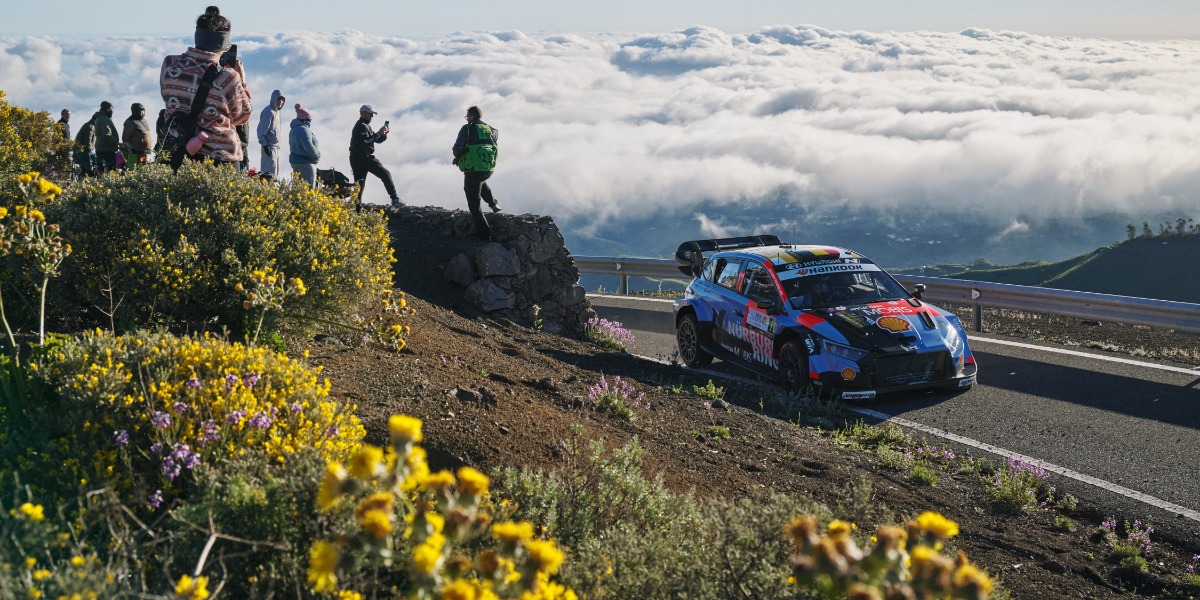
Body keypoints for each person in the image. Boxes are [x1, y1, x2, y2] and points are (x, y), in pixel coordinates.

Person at [159, 6, 253, 167]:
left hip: (177, 153)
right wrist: (241, 80)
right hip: (218, 159)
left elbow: (166, 95)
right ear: (225, 45)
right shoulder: (227, 77)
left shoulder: (170, 64)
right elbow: (242, 116)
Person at [452, 105, 501, 241]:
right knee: (479, 181)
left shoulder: (467, 128)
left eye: (467, 116)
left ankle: (485, 235)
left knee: (474, 205)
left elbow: (457, 150)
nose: (466, 118)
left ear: (472, 116)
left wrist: (459, 156)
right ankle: (493, 203)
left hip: (473, 169)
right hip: (487, 168)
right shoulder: (490, 129)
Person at [349, 104, 401, 207]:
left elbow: (375, 140)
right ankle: (395, 199)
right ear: (363, 113)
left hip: (357, 158)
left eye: (372, 114)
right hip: (363, 158)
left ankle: (356, 208)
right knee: (385, 174)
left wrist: (383, 134)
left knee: (359, 185)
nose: (372, 116)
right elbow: (367, 141)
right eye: (370, 114)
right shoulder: (361, 126)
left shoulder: (365, 125)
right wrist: (379, 133)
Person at [288, 104, 320, 186]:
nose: (310, 122)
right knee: (309, 187)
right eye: (309, 120)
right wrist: (317, 155)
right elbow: (308, 146)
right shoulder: (303, 129)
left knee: (298, 187)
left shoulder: (293, 129)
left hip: (295, 161)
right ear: (305, 120)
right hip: (306, 163)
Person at [257, 90, 285, 179]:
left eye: (282, 100)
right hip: (269, 146)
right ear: (274, 99)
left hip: (275, 147)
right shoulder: (268, 112)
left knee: (274, 174)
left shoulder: (276, 112)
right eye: (278, 99)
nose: (280, 102)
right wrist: (265, 145)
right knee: (267, 173)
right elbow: (261, 130)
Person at [121, 103, 153, 167]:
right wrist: (129, 151)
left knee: (143, 168)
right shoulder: (130, 121)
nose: (142, 112)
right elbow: (126, 137)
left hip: (144, 151)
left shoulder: (144, 121)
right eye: (140, 110)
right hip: (134, 151)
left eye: (143, 110)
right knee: (133, 168)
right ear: (135, 111)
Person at [92, 101, 120, 174]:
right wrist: (115, 143)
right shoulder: (104, 119)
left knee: (102, 170)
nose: (112, 111)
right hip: (107, 149)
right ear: (107, 109)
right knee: (111, 170)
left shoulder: (100, 118)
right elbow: (107, 135)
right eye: (111, 108)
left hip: (101, 148)